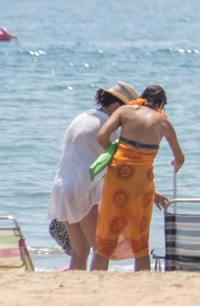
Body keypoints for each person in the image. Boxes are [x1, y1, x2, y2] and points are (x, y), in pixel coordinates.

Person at [91, 85, 184, 271]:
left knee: (107, 233)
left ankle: (96, 278)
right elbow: (180, 158)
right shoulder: (164, 123)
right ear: (161, 104)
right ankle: (141, 281)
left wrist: (118, 154)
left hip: (118, 175)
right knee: (140, 238)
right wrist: (175, 163)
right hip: (142, 182)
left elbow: (101, 136)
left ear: (141, 98)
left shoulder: (124, 111)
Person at [48, 81, 138, 269]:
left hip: (62, 186)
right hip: (83, 189)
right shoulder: (107, 126)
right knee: (101, 249)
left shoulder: (82, 117)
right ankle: (96, 290)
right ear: (116, 107)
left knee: (79, 252)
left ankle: (77, 291)